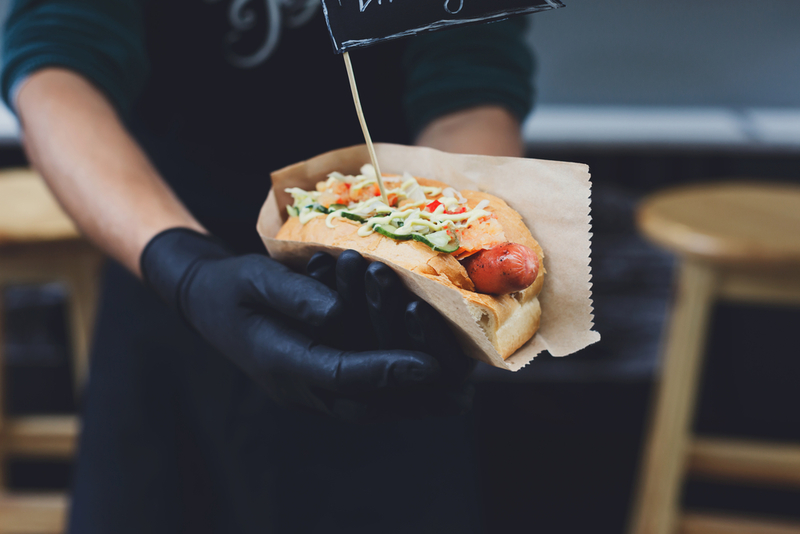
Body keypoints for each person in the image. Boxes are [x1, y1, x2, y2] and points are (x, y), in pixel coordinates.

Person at [2, 1, 534, 532]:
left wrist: (446, 263)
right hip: (164, 265)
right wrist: (183, 267)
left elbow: (470, 87)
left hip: (382, 308)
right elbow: (55, 69)